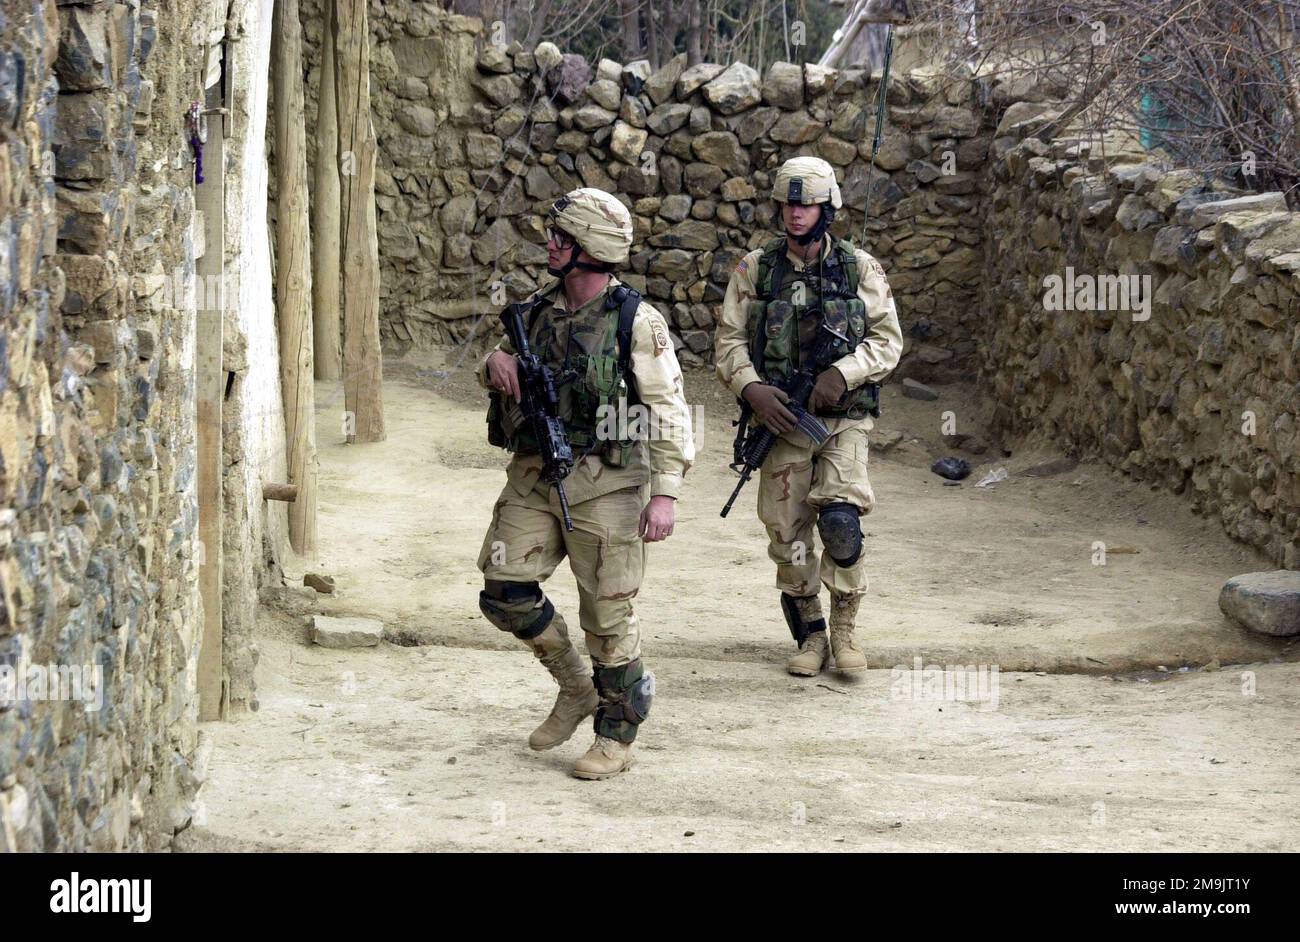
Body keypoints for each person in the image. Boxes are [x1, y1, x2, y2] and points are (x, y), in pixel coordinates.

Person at [477, 187, 694, 778]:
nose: (550, 245)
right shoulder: (535, 313)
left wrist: (666, 494)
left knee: (608, 616)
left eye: (562, 238)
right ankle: (576, 687)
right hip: (535, 476)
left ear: (589, 249)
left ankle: (617, 733)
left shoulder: (635, 323)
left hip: (608, 483)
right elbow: (498, 365)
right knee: (504, 590)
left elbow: (668, 410)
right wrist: (493, 367)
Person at [714, 156, 903, 677]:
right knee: (787, 532)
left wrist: (843, 372)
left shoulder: (859, 268)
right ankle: (811, 634)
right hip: (780, 423)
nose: (797, 214)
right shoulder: (756, 268)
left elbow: (887, 342)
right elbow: (729, 341)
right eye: (789, 203)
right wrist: (752, 389)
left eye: (808, 204)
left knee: (841, 522)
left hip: (843, 421)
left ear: (828, 207)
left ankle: (845, 633)